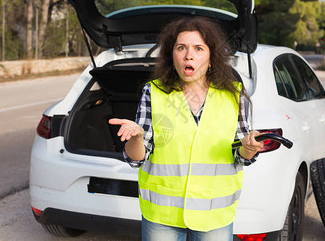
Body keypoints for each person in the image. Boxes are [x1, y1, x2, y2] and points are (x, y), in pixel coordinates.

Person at [109, 17, 263, 241]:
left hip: (214, 216)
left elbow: (241, 156)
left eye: (198, 48)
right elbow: (137, 159)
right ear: (172, 57)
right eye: (181, 48)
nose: (188, 55)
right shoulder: (153, 93)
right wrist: (137, 137)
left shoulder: (233, 96)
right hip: (163, 216)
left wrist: (249, 148)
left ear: (211, 58)